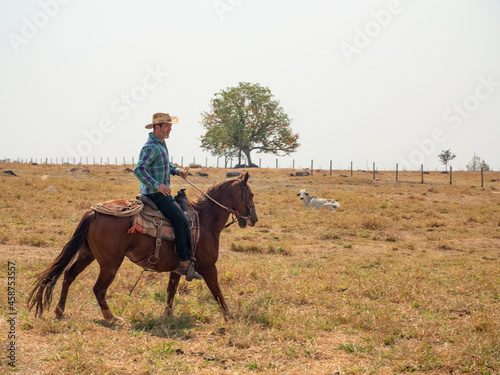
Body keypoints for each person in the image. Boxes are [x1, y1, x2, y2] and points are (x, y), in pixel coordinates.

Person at [134, 112, 202, 281]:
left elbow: (165, 165)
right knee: (182, 221)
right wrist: (158, 185)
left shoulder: (161, 144)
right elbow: (139, 169)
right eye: (167, 125)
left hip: (160, 191)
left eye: (170, 126)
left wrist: (177, 171)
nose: (170, 128)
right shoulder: (151, 146)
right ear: (157, 127)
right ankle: (184, 263)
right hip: (155, 194)